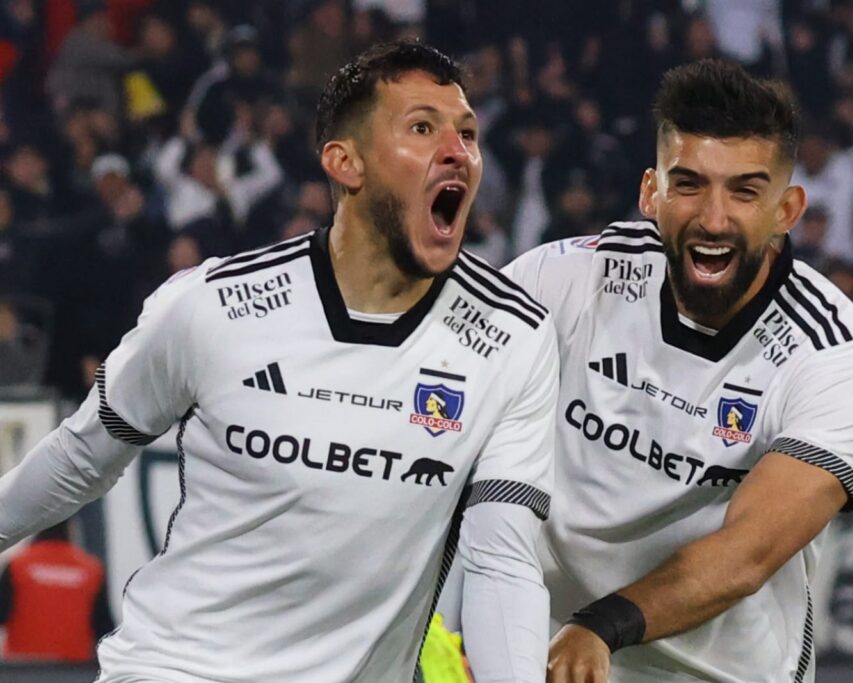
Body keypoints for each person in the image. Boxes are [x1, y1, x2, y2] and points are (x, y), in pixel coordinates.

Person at [0, 40, 556, 682]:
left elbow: (501, 561)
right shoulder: (213, 306)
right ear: (346, 163)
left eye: (467, 132)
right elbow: (79, 458)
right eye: (423, 128)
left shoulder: (512, 335)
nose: (457, 151)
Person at [505, 59, 853, 682]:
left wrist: (598, 626)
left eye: (744, 191)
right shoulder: (560, 283)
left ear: (787, 209)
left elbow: (746, 555)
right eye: (688, 184)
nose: (714, 218)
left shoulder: (839, 358)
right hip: (557, 663)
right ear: (650, 194)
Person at [0, 518, 114, 662]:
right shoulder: (91, 570)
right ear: (71, 529)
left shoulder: (18, 565)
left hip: (23, 668)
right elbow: (104, 628)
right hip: (73, 670)